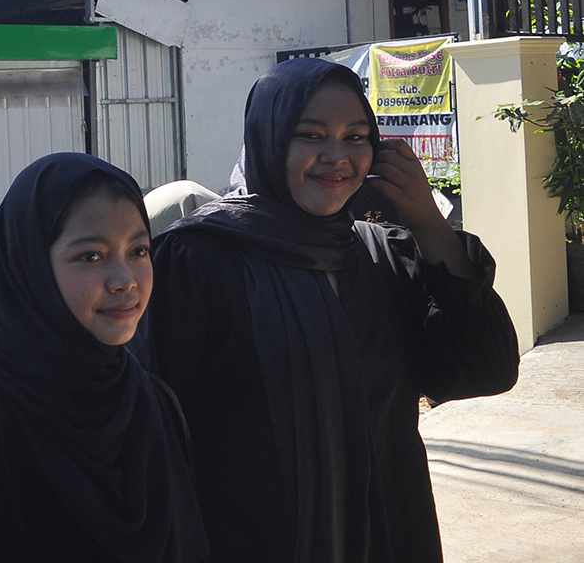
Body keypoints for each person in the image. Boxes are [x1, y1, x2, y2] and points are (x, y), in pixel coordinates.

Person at [140, 57, 520, 563]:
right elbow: (158, 434)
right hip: (251, 539)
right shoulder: (199, 260)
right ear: (268, 137)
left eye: (356, 137)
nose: (336, 156)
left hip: (385, 531)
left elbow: (487, 369)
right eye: (311, 135)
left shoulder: (384, 257)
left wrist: (429, 223)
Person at [0, 153, 207, 563]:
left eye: (138, 250)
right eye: (91, 256)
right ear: (30, 268)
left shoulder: (150, 404)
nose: (124, 280)